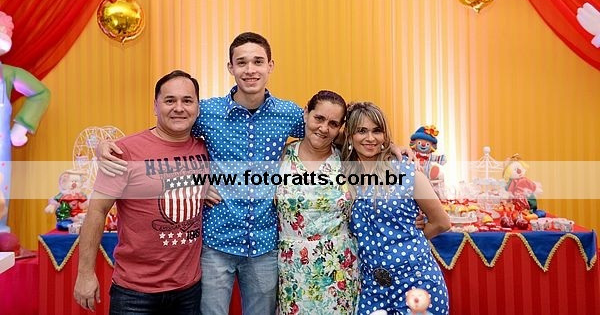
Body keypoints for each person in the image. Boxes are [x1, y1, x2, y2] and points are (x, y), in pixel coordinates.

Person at [98, 33, 304, 315]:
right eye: (241, 62)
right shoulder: (206, 112)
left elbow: (323, 137)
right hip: (216, 241)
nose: (250, 69)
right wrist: (105, 146)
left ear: (270, 66)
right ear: (230, 67)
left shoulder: (289, 113)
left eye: (258, 61)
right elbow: (167, 137)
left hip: (264, 242)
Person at [74, 70, 210, 314]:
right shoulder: (123, 152)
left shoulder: (206, 147)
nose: (179, 108)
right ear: (155, 106)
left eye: (187, 100)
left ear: (198, 108)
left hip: (189, 290)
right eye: (170, 100)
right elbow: (97, 211)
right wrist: (85, 274)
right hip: (135, 293)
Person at [342, 102, 450, 315]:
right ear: (350, 136)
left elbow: (442, 222)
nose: (370, 138)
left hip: (417, 282)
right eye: (361, 131)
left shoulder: (406, 172)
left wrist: (410, 239)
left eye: (377, 131)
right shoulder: (344, 175)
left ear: (385, 136)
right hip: (372, 288)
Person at [276, 90, 359, 314]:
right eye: (319, 118)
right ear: (306, 113)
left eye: (333, 123)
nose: (323, 128)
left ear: (340, 128)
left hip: (339, 268)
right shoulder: (281, 156)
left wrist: (393, 148)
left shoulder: (348, 160)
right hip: (293, 267)